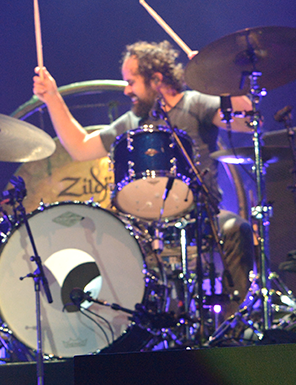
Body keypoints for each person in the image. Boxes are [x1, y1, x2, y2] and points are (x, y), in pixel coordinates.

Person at [32, 40, 256, 315]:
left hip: (202, 220)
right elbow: (80, 148)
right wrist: (52, 97)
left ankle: (236, 324)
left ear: (156, 79)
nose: (126, 90)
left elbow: (249, 120)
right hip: (148, 229)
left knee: (237, 229)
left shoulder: (196, 103)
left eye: (131, 82)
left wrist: (219, 78)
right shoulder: (132, 122)